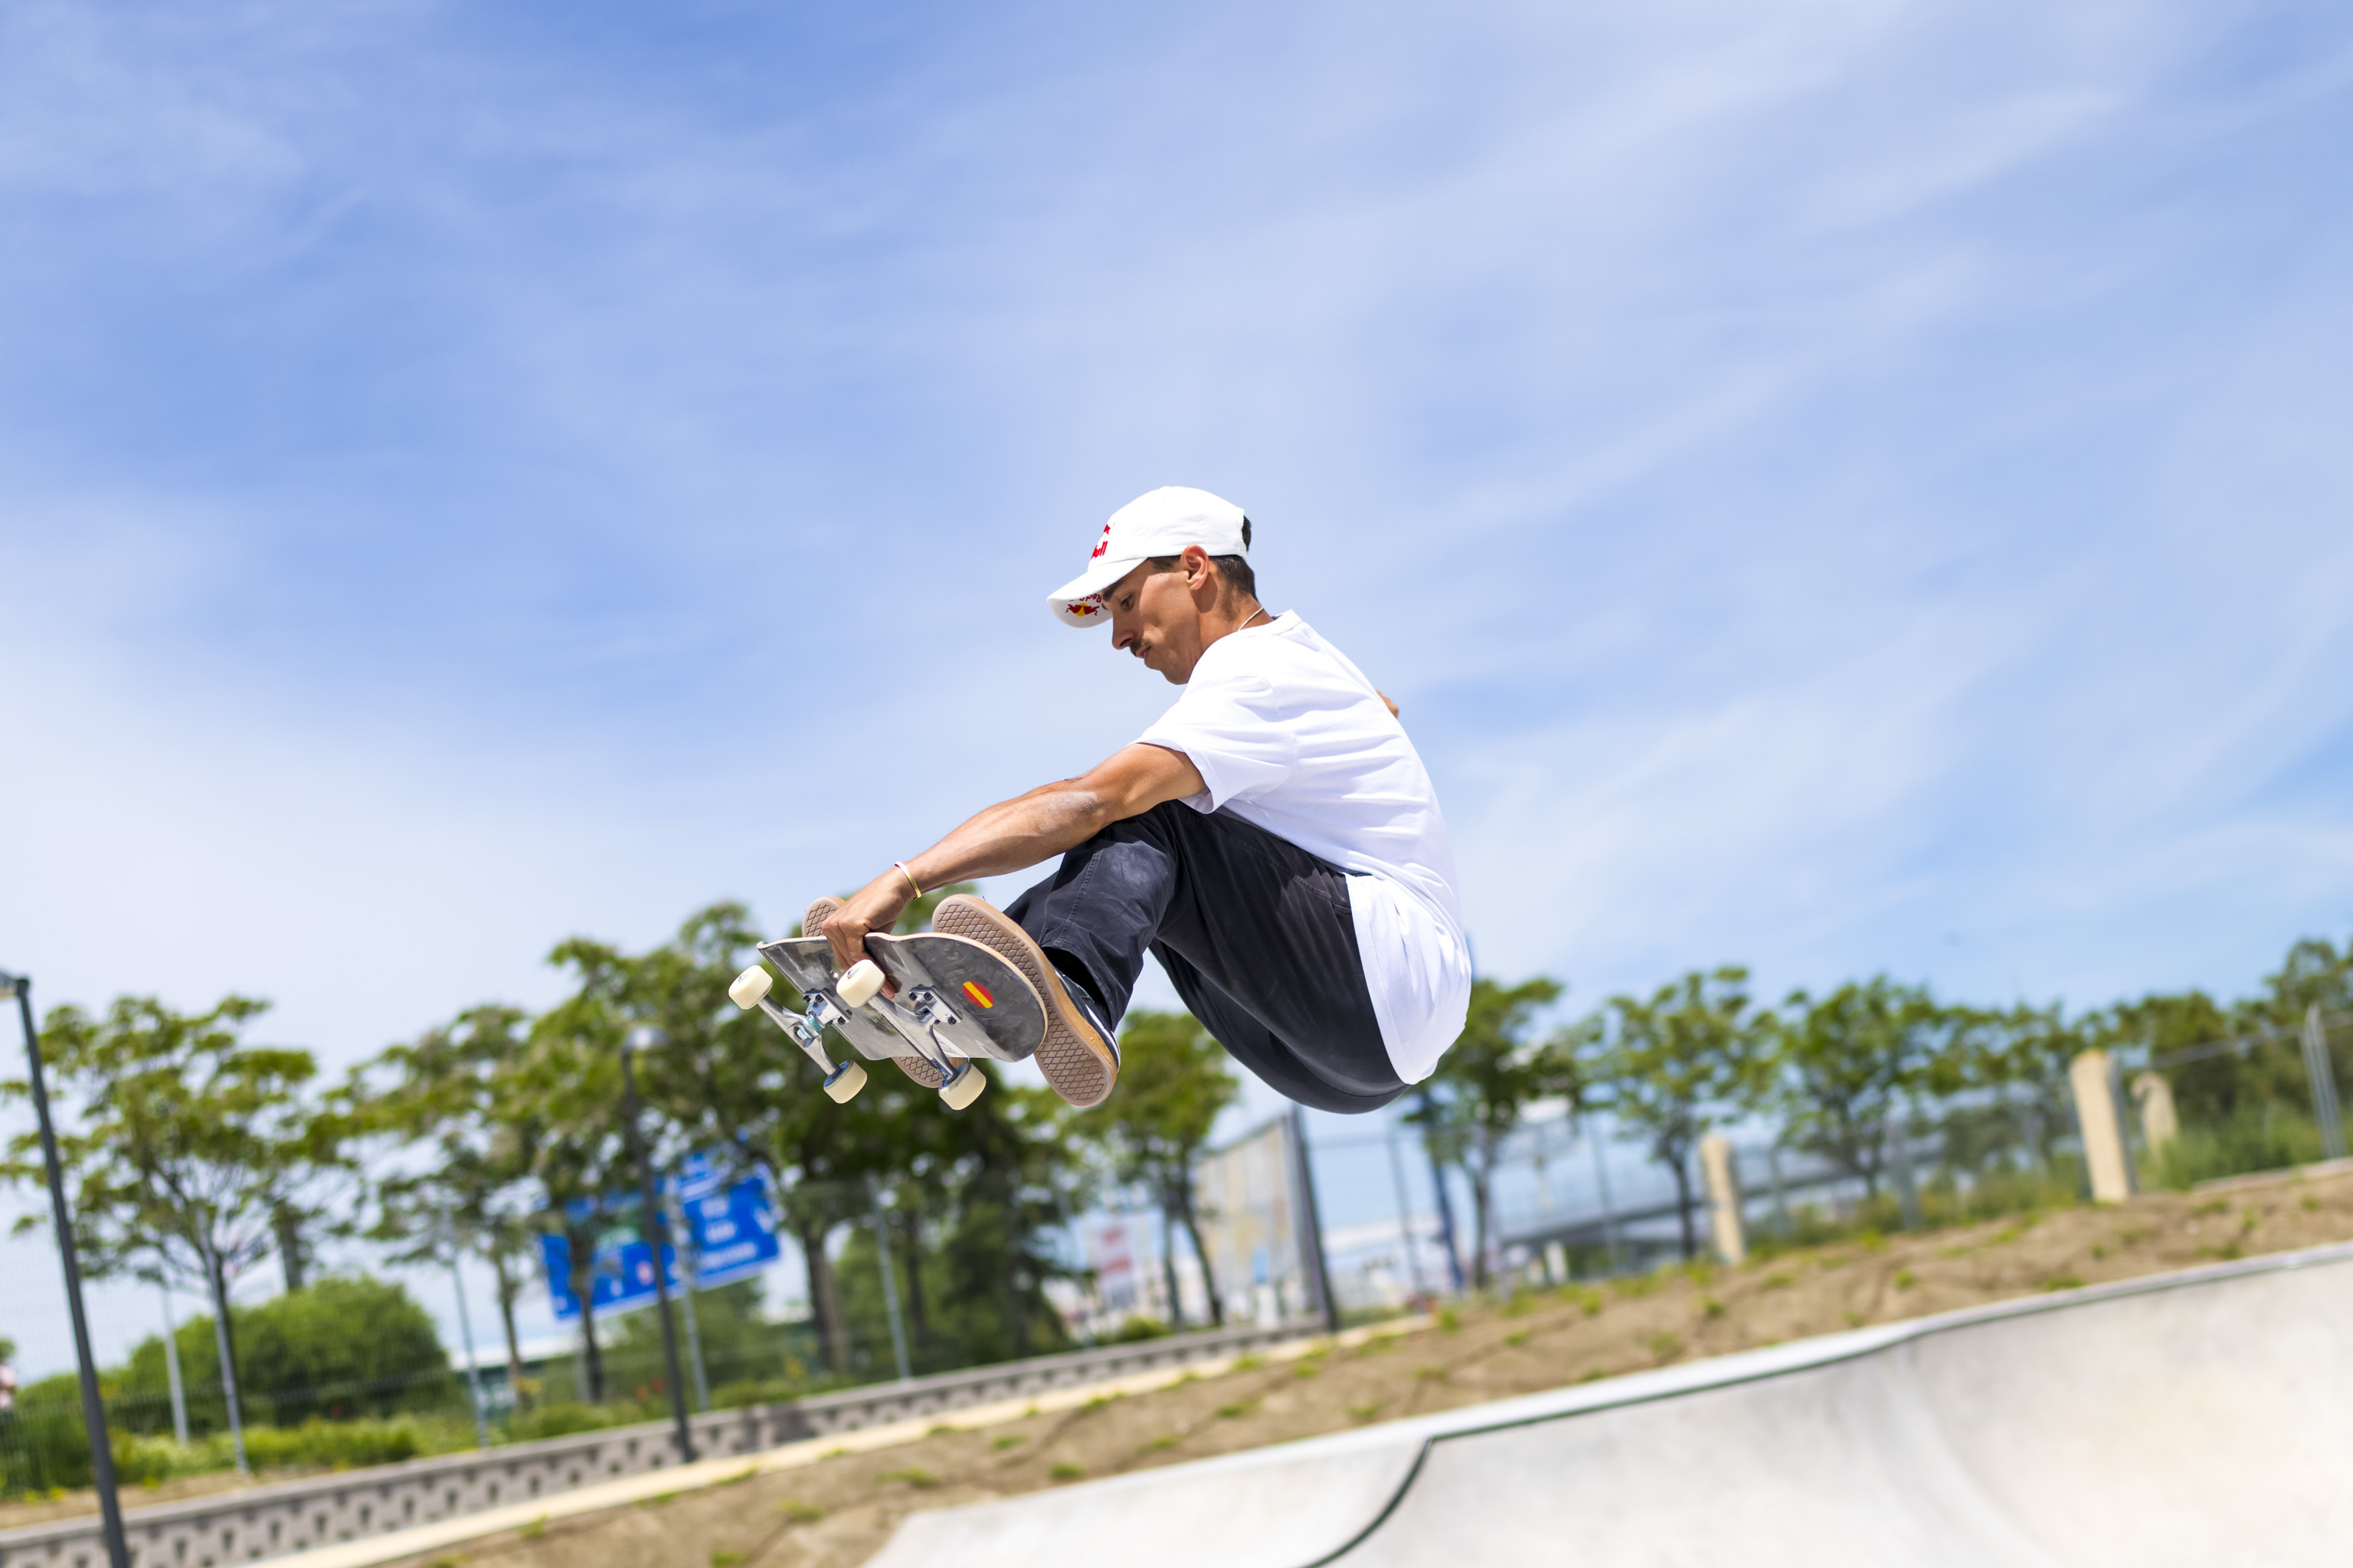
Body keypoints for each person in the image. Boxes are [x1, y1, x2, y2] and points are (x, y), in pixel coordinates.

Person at [818, 486, 1471, 1113]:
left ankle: (1072, 984)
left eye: (1126, 602)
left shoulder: (1259, 669)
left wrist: (907, 878)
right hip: (1346, 1059)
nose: (1118, 637)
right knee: (1141, 884)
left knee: (1146, 810)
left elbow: (1094, 799)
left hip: (1380, 988)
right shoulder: (1299, 663)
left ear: (1193, 568)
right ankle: (971, 980)